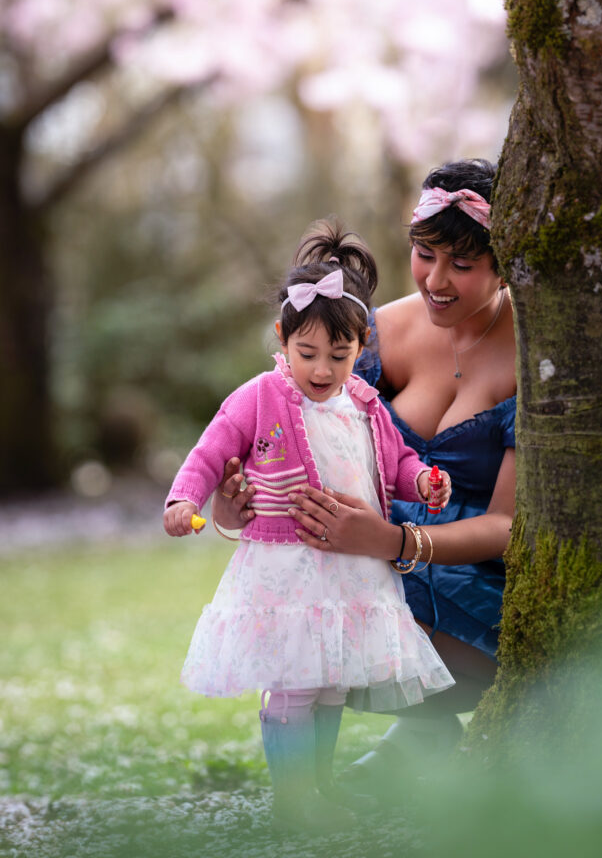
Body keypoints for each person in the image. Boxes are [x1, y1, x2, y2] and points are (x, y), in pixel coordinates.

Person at [214, 159, 516, 794]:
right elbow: (290, 438)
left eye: (461, 265)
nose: (436, 279)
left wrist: (396, 542)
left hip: (471, 576)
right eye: (424, 253)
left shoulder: (533, 351)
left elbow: (508, 524)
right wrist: (238, 504)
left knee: (340, 636)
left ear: (505, 262)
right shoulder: (369, 332)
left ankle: (424, 728)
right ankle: (312, 787)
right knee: (294, 619)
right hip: (356, 551)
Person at [162, 218, 454, 831]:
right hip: (287, 569)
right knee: (295, 685)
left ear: (361, 347)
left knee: (330, 685)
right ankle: (293, 800)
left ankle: (319, 787)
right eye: (308, 354)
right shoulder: (260, 397)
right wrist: (182, 499)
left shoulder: (366, 405)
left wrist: (421, 481)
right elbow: (210, 451)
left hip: (350, 570)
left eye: (340, 356)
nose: (322, 369)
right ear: (282, 338)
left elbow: (394, 461)